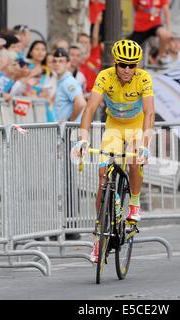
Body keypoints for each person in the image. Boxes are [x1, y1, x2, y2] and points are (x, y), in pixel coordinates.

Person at [72, 39, 155, 262]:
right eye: (123, 65)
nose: (127, 70)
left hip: (136, 127)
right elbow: (90, 107)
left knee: (136, 159)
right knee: (102, 178)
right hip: (114, 128)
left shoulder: (144, 78)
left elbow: (149, 112)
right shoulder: (105, 76)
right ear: (115, 63)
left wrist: (145, 145)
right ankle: (99, 235)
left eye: (132, 65)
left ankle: (135, 204)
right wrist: (82, 139)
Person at [128, 0, 171, 64]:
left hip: (155, 24)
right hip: (140, 28)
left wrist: (169, 30)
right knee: (127, 48)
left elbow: (167, 13)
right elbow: (135, 7)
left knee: (165, 34)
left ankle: (160, 57)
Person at [52, 48, 86, 123]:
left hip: (69, 131)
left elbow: (81, 103)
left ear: (68, 64)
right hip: (62, 130)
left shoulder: (68, 82)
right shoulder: (59, 81)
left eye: (61, 61)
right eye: (55, 61)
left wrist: (69, 121)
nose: (57, 64)